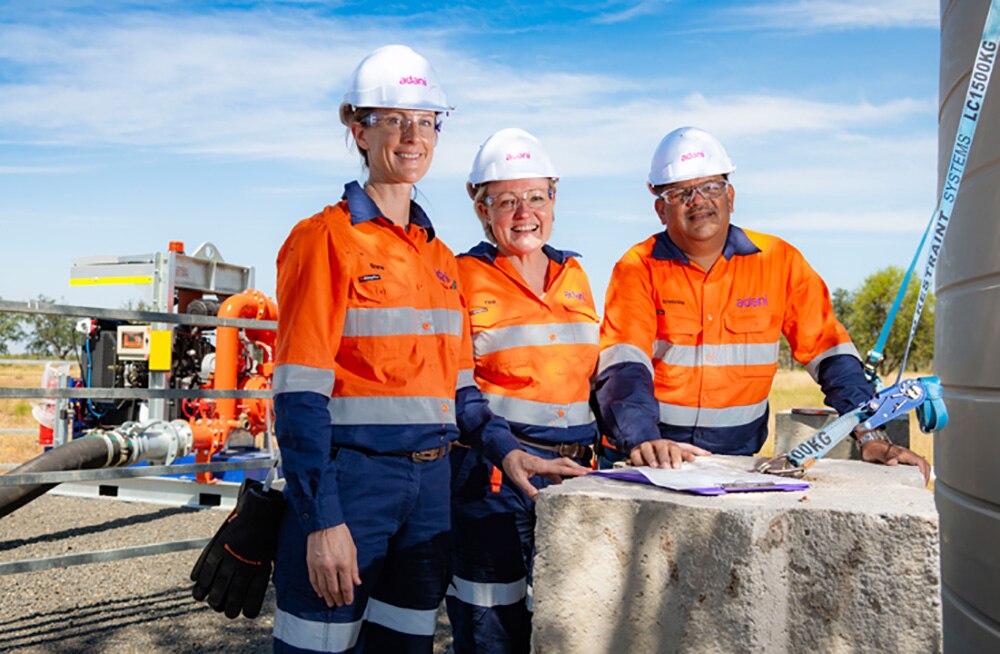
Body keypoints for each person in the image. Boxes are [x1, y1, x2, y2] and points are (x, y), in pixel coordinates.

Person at [272, 47, 587, 654]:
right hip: (353, 483)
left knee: (406, 645)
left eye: (426, 120)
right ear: (358, 129)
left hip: (430, 493)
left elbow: (462, 394)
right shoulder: (323, 240)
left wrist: (508, 454)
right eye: (393, 119)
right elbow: (298, 397)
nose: (412, 135)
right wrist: (321, 521)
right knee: (318, 644)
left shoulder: (440, 260)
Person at [595, 126, 930, 480]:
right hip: (649, 457)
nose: (699, 200)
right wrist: (643, 439)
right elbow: (624, 366)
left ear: (731, 197)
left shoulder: (779, 261)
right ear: (661, 210)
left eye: (712, 187)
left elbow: (831, 355)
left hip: (735, 460)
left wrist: (870, 433)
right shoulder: (638, 267)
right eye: (681, 193)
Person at [446, 128, 599, 653]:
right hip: (493, 480)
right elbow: (455, 385)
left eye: (535, 197)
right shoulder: (460, 276)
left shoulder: (574, 273)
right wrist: (505, 451)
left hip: (576, 475)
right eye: (506, 201)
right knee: (491, 627)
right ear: (482, 210)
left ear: (553, 199)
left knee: (570, 622)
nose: (523, 213)